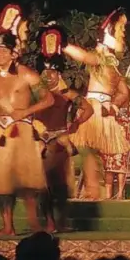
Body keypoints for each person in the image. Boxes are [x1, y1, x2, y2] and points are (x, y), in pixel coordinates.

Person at [0, 5, 53, 235]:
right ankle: (8, 226)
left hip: (22, 131)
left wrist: (25, 112)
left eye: (4, 51)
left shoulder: (27, 74)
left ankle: (42, 224)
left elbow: (49, 99)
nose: (0, 54)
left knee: (29, 183)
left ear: (15, 53)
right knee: (1, 183)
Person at [64, 8, 130, 199]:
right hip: (93, 109)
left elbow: (125, 93)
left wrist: (114, 107)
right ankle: (84, 188)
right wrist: (63, 44)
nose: (123, 35)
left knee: (93, 152)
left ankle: (91, 190)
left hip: (104, 111)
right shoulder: (101, 58)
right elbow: (84, 57)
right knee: (86, 150)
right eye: (121, 31)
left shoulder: (113, 65)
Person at [35, 23, 94, 231]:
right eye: (45, 71)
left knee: (59, 185)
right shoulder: (35, 93)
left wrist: (75, 125)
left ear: (59, 73)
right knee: (42, 186)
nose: (48, 75)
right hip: (38, 142)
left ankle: (60, 222)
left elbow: (88, 109)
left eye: (52, 72)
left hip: (59, 142)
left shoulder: (67, 93)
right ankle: (49, 222)